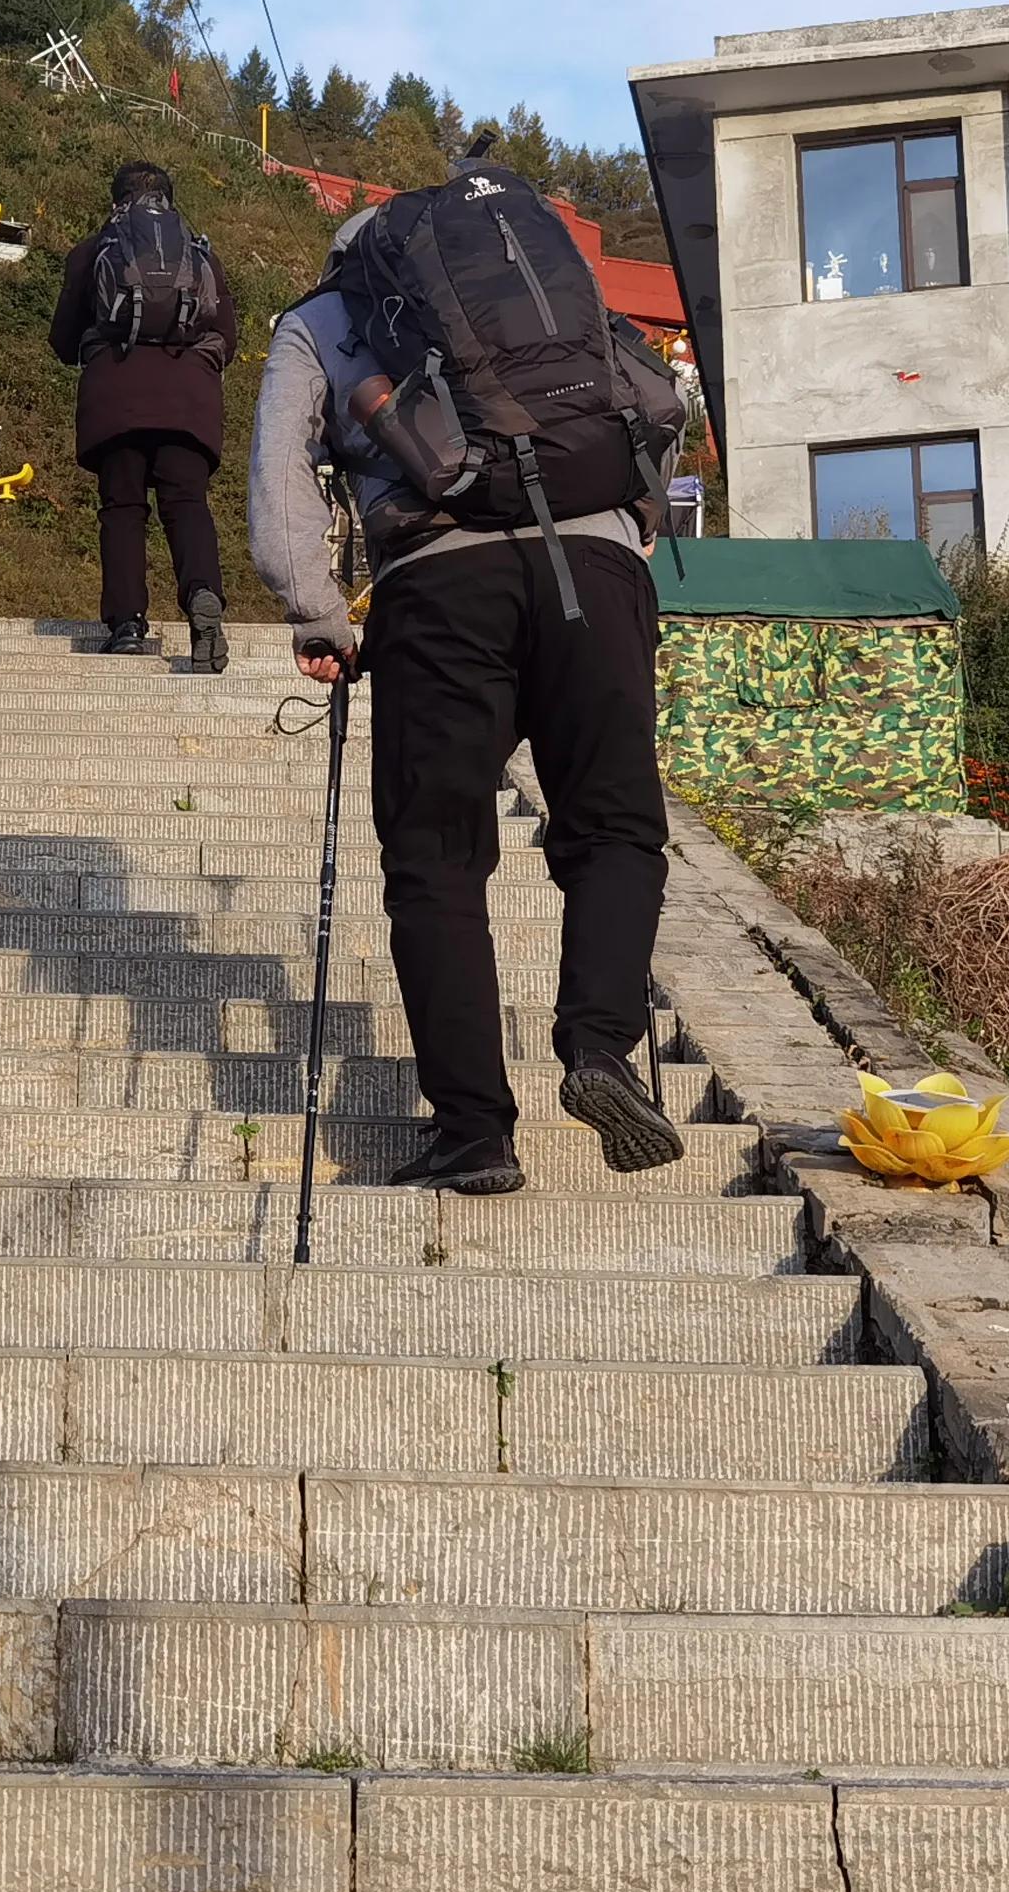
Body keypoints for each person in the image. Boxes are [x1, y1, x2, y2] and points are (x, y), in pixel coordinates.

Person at [250, 196, 687, 1192]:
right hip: (599, 566)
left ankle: (474, 1134)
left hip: (440, 585)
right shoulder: (555, 295)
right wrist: (635, 532)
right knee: (615, 825)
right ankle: (600, 1048)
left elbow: (279, 483)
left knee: (437, 859)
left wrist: (319, 614)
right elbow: (651, 404)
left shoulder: (321, 319)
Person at [49, 158, 238, 663]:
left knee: (123, 509)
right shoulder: (200, 254)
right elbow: (229, 336)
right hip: (188, 401)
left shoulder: (93, 252)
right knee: (188, 504)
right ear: (170, 200)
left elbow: (63, 341)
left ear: (116, 201)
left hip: (117, 398)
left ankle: (127, 624)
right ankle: (203, 598)